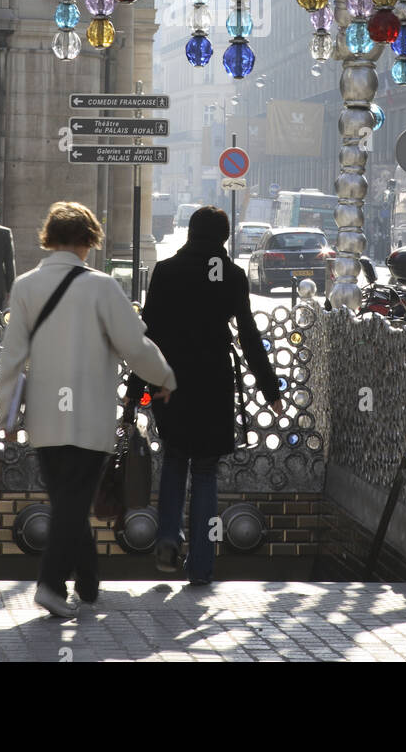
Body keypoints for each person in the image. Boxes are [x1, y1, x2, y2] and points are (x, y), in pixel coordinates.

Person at [0, 201, 176, 620]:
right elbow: (135, 346)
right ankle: (52, 584)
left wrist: (7, 414)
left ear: (49, 238)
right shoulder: (103, 287)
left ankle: (89, 579)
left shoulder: (25, 286)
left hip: (45, 415)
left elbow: (11, 357)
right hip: (90, 414)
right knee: (73, 500)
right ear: (89, 240)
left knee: (67, 500)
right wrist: (164, 377)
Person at [124, 205, 282, 588]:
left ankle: (166, 540)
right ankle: (201, 566)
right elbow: (247, 336)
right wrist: (270, 389)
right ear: (224, 238)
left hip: (170, 382)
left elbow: (151, 333)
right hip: (214, 384)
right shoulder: (232, 275)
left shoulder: (165, 271)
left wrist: (134, 393)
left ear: (191, 234)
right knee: (207, 471)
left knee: (176, 459)